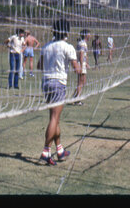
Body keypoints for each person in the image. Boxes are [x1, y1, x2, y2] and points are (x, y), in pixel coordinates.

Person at [37, 19, 80, 165]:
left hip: (46, 83)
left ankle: (60, 150)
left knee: (54, 118)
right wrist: (80, 65)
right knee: (54, 118)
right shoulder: (68, 47)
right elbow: (77, 69)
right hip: (58, 83)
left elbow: (39, 66)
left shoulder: (47, 46)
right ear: (67, 32)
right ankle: (46, 151)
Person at [74, 30, 89, 102]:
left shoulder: (83, 43)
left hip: (82, 63)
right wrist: (81, 64)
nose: (90, 35)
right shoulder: (82, 44)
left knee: (83, 81)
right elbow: (81, 54)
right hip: (81, 63)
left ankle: (75, 96)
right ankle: (77, 99)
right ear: (86, 35)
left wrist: (86, 63)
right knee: (81, 81)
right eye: (89, 34)